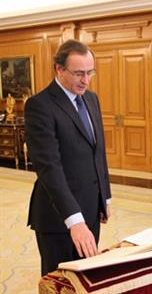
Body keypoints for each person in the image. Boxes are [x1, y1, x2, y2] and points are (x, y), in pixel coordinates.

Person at [24, 39, 111, 276]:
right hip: (58, 217)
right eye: (79, 73)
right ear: (59, 69)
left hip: (91, 209)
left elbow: (98, 152)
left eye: (90, 72)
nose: (86, 80)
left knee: (85, 279)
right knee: (60, 284)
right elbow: (49, 169)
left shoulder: (91, 99)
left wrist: (105, 197)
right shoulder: (39, 105)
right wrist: (75, 221)